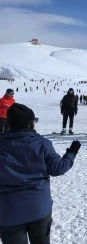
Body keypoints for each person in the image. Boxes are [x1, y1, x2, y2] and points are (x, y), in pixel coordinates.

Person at [0, 103, 81, 244]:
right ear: (31, 124)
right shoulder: (42, 144)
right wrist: (71, 153)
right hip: (38, 208)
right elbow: (58, 168)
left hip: (8, 212)